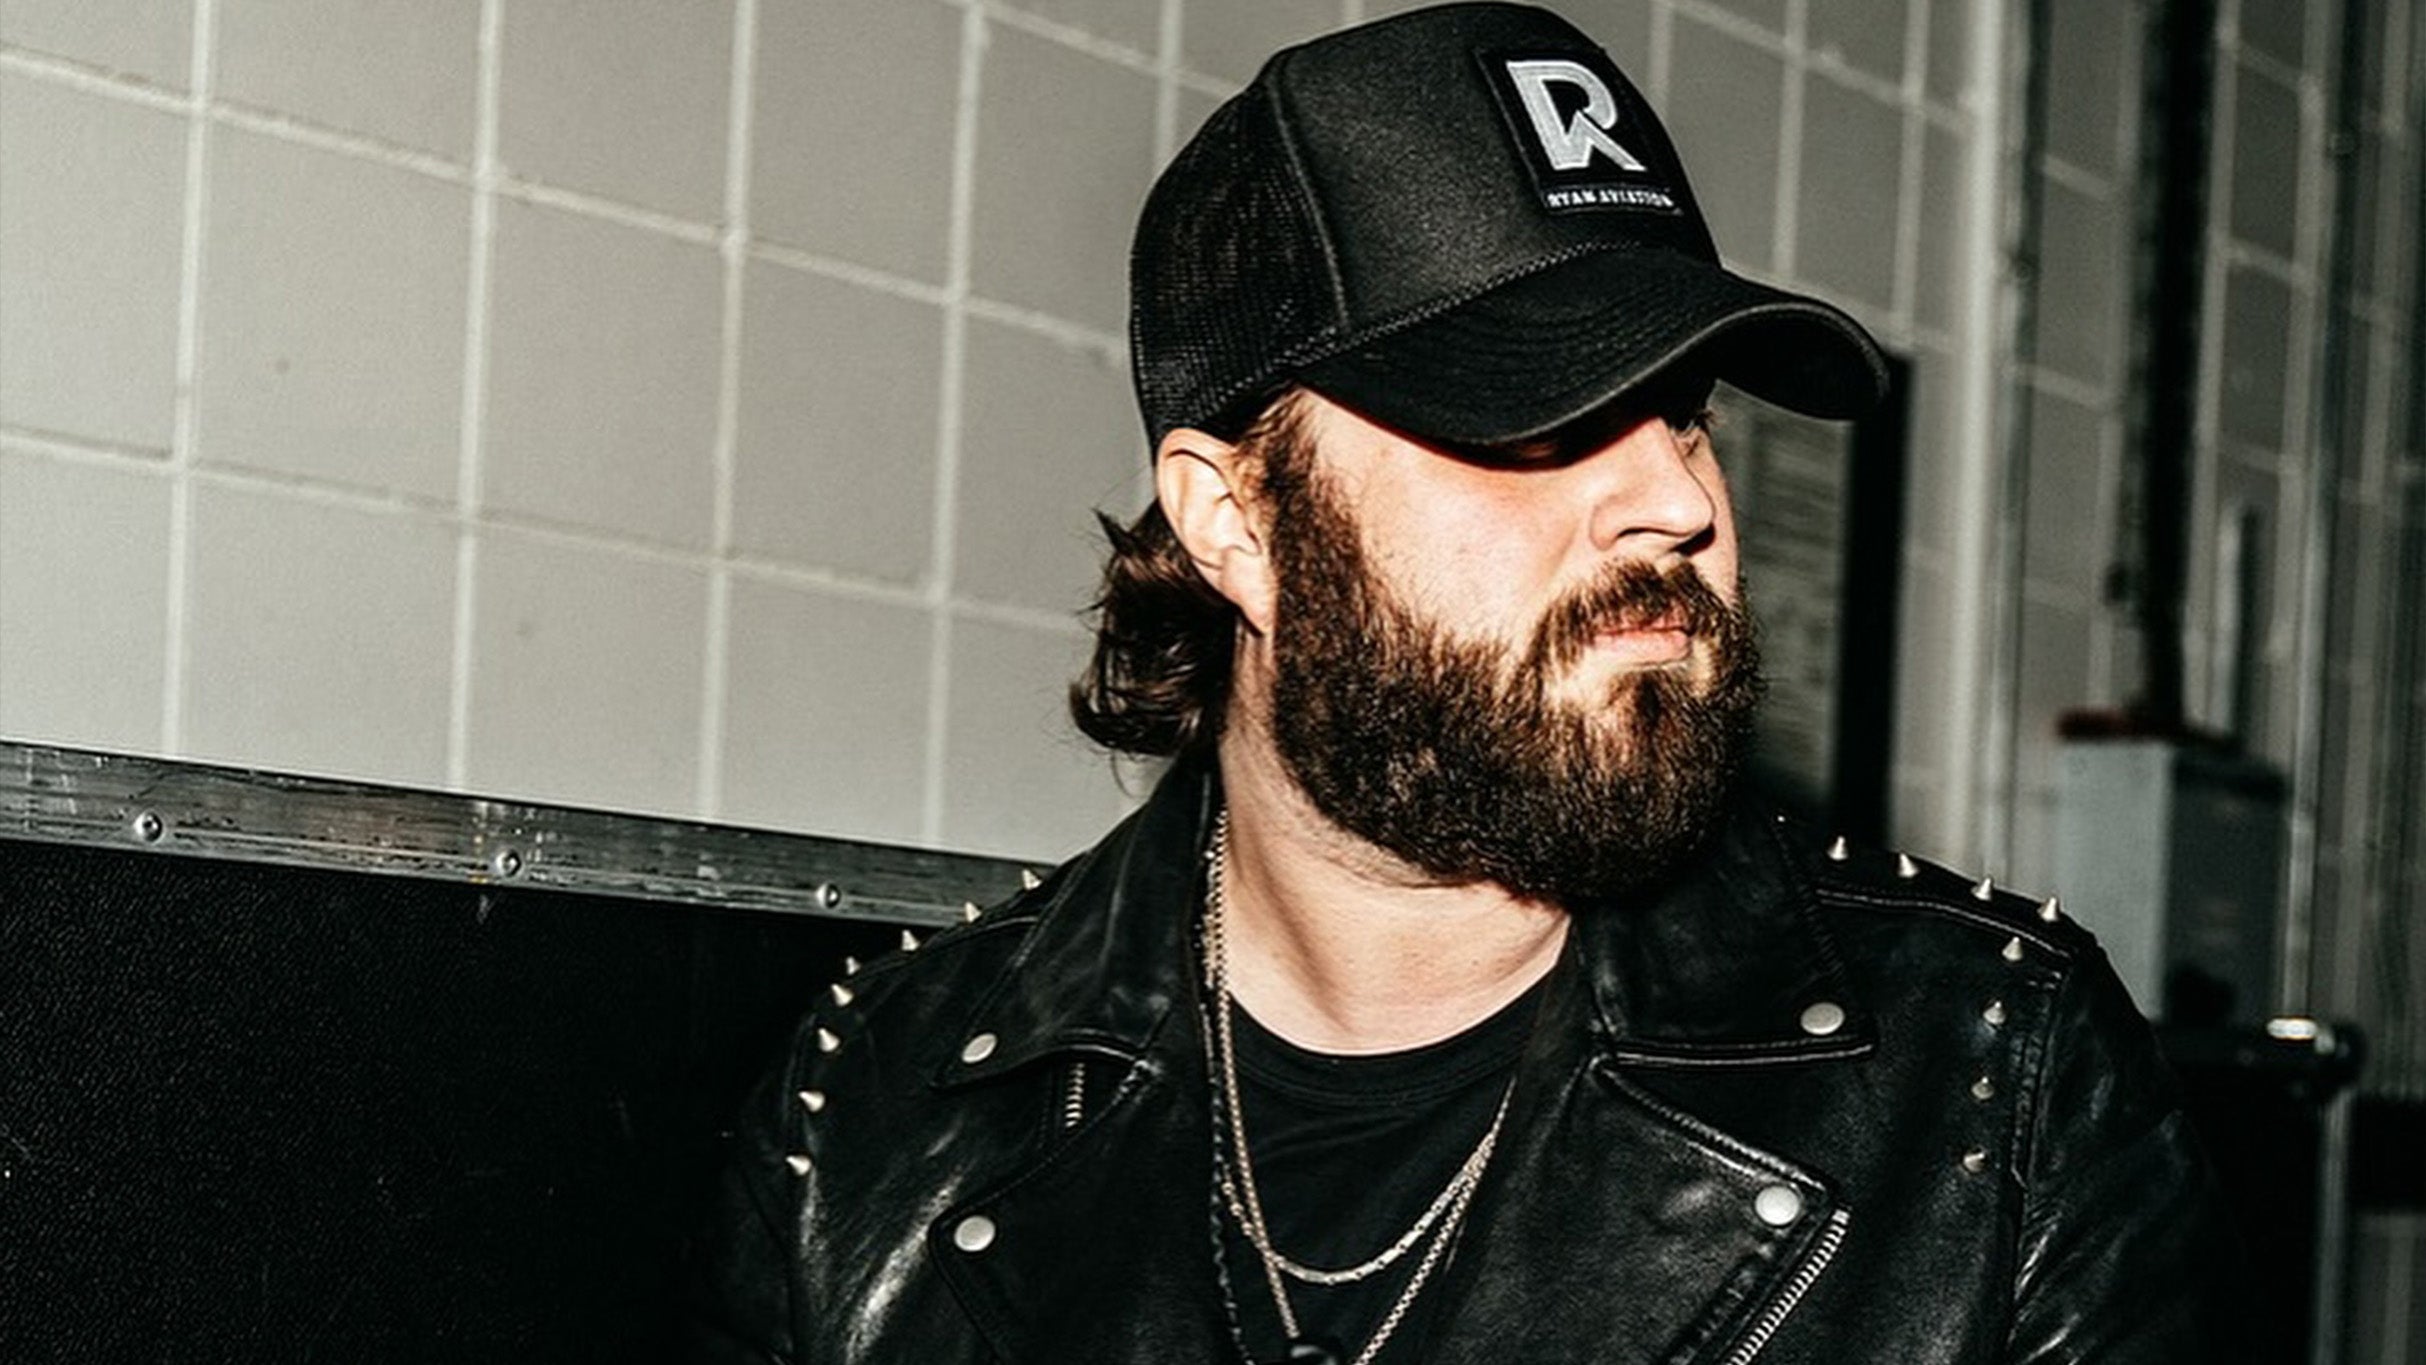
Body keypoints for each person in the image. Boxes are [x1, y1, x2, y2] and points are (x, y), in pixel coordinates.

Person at [690, 5, 2237, 1361]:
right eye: (1534, 423)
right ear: (1236, 523)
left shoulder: (1989, 1079)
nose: (1676, 500)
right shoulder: (873, 1113)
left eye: (1682, 413)